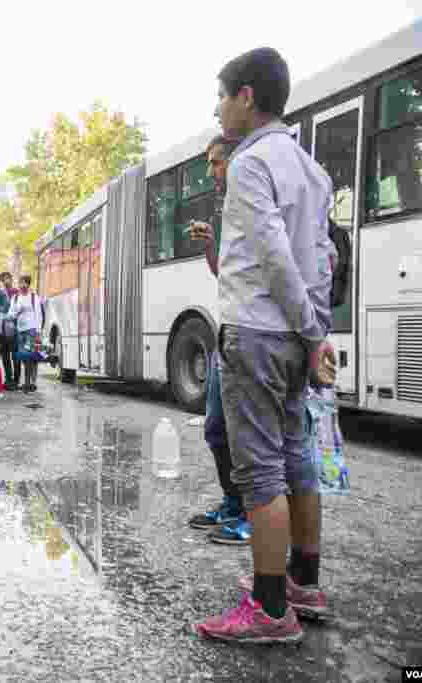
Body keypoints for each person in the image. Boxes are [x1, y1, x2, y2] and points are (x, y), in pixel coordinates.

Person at [195, 47, 337, 644]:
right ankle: (303, 582)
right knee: (297, 459)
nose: (219, 107)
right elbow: (323, 262)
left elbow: (276, 260)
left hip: (255, 332)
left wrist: (308, 330)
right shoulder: (312, 170)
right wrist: (315, 333)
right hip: (294, 337)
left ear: (247, 96)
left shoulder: (251, 165)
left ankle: (270, 607)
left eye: (223, 94)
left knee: (260, 473)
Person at [185, 135, 252, 545]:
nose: (211, 171)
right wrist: (211, 245)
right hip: (227, 330)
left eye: (216, 163)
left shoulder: (256, 201)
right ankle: (232, 503)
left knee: (251, 436)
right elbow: (223, 273)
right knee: (215, 427)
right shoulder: (226, 208)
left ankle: (252, 515)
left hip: (254, 333)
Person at [6, 275, 43, 393]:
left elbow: (39, 315)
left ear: (28, 284)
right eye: (20, 283)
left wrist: (38, 332)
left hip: (31, 330)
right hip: (19, 331)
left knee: (28, 356)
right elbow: (10, 315)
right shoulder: (15, 298)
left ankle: (28, 383)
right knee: (23, 357)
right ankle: (28, 382)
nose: (21, 285)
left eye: (24, 283)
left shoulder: (34, 297)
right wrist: (17, 310)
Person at [0, 272, 19, 390]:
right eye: (4, 279)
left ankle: (16, 380)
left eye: (8, 279)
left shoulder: (16, 292)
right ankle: (8, 379)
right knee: (5, 356)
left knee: (15, 356)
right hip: (3, 329)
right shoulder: (0, 293)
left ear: (11, 279)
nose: (6, 281)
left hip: (15, 329)